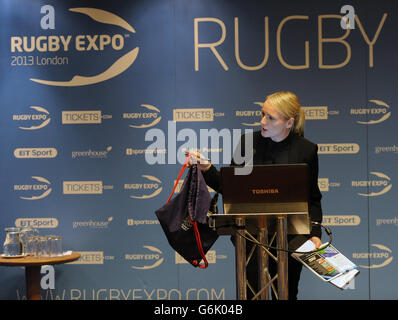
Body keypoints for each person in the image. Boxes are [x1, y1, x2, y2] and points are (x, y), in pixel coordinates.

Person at [188, 91, 323, 300]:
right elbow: (231, 188)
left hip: (291, 237)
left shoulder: (307, 150)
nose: (262, 121)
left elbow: (312, 198)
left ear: (289, 123)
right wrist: (207, 169)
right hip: (250, 237)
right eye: (262, 114)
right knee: (251, 294)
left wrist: (314, 233)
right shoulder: (246, 143)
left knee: (286, 294)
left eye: (270, 117)